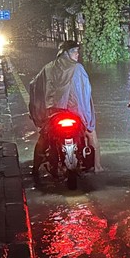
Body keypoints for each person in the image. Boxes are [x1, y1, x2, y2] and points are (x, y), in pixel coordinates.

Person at [28, 40, 103, 177]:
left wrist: (38, 110)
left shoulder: (48, 68)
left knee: (43, 140)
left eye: (78, 52)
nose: (77, 55)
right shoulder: (78, 68)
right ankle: (97, 166)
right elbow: (86, 93)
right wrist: (87, 118)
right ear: (66, 53)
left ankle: (35, 168)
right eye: (75, 52)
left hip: (53, 113)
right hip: (77, 113)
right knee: (91, 133)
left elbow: (35, 86)